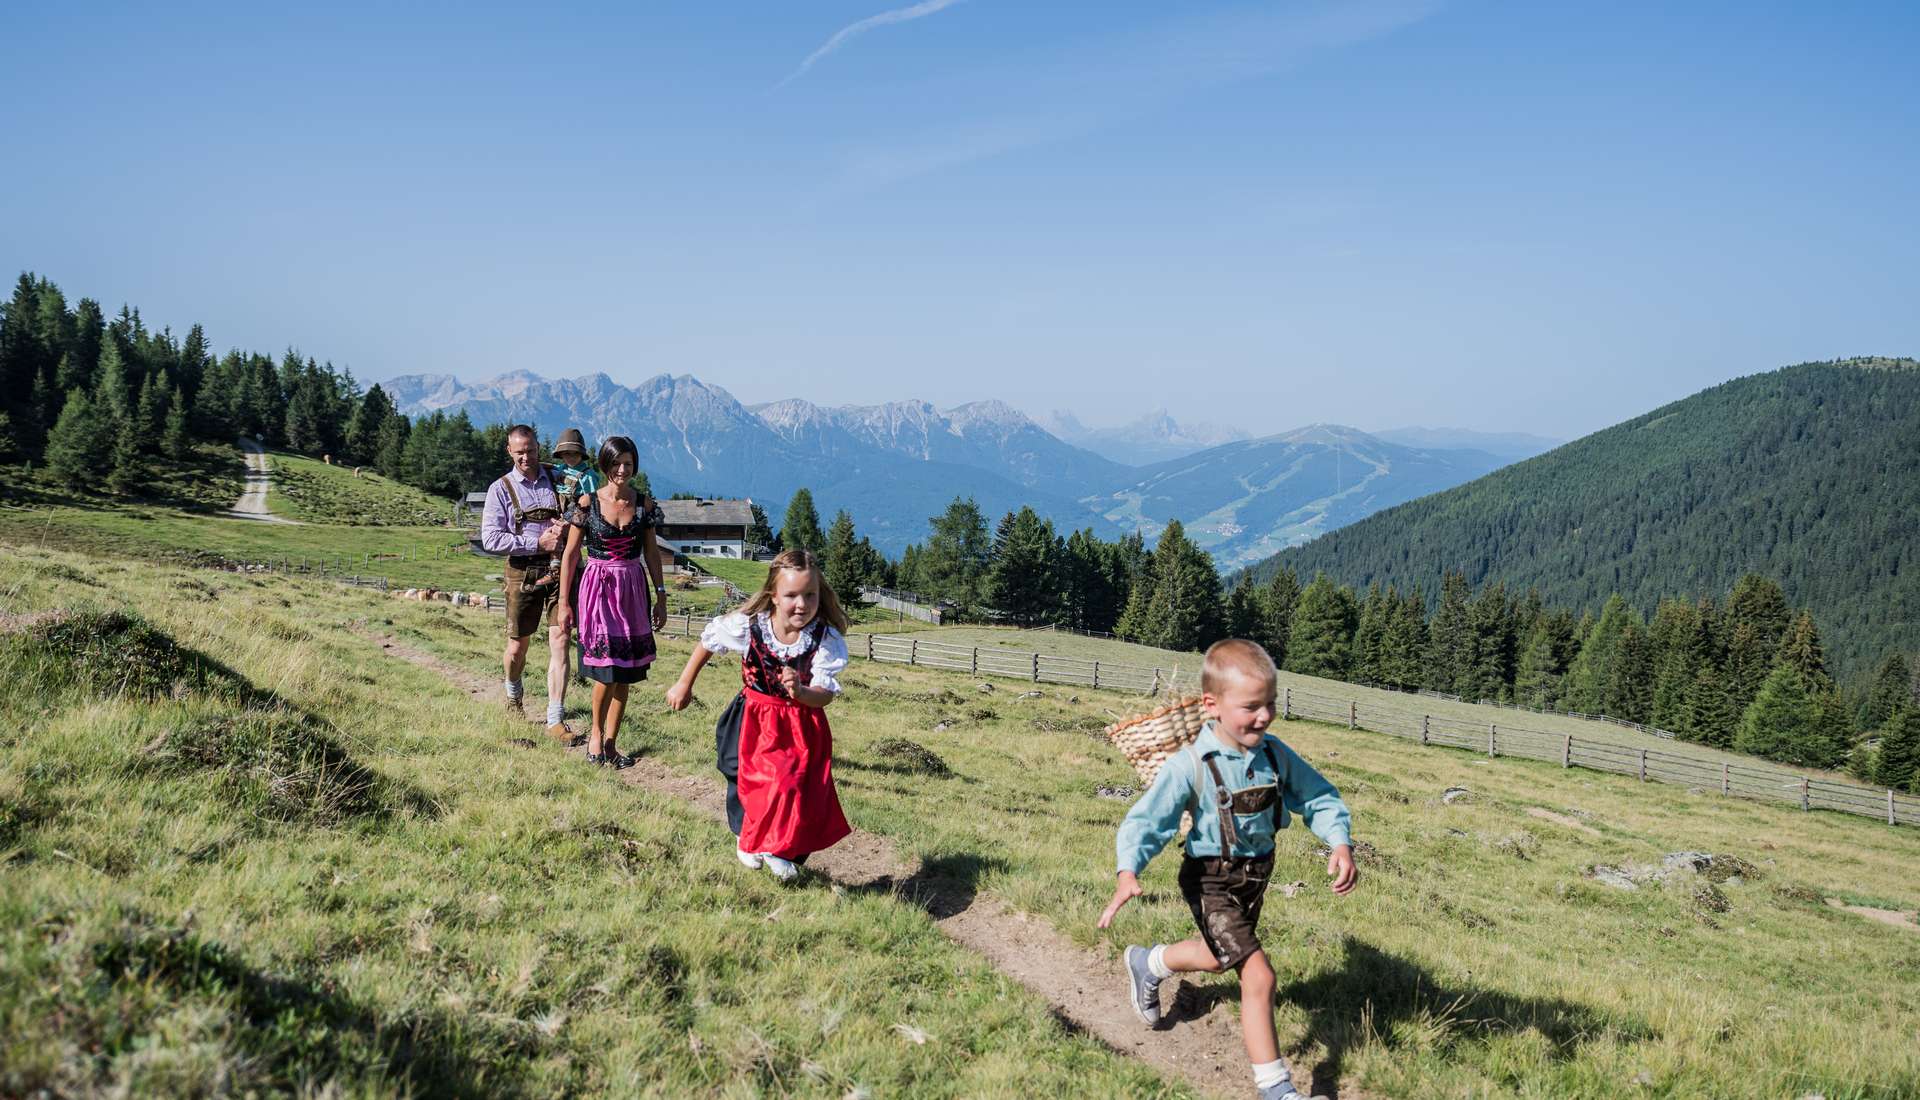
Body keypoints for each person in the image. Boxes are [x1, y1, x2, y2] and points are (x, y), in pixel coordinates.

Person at [1097, 639, 1357, 1100]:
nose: (1264, 716)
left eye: (1271, 703)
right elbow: (1147, 821)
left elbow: (1317, 796)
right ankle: (1275, 1089)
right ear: (1211, 706)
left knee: (1219, 958)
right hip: (1209, 879)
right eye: (1251, 706)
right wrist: (1127, 871)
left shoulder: (1275, 756)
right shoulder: (1190, 766)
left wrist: (1338, 840)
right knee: (1259, 975)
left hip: (1257, 875)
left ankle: (1148, 962)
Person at [664, 549, 851, 882]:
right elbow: (709, 641)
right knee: (741, 776)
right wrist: (683, 683)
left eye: (810, 595)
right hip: (750, 715)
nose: (802, 604)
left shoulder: (824, 638)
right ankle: (747, 835)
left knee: (791, 786)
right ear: (773, 596)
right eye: (792, 595)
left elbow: (825, 696)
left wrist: (802, 692)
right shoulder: (750, 626)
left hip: (798, 723)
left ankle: (779, 849)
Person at [557, 436, 666, 768]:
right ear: (605, 465)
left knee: (626, 671)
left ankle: (611, 742)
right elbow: (572, 554)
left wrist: (661, 596)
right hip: (598, 589)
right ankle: (594, 733)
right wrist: (564, 602)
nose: (622, 470)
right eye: (616, 463)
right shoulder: (587, 503)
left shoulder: (644, 504)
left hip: (632, 589)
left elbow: (651, 553)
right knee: (606, 670)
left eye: (628, 464)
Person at [480, 424, 573, 737]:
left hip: (560, 571)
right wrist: (536, 543)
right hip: (522, 573)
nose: (526, 457)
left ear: (537, 447)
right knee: (518, 647)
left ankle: (555, 719)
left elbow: (580, 516)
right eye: (519, 452)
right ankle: (513, 694)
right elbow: (490, 538)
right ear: (509, 451)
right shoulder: (500, 489)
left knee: (560, 640)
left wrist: (568, 531)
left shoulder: (559, 480)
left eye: (531, 451)